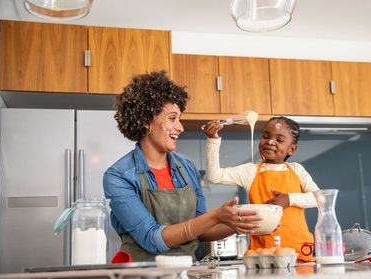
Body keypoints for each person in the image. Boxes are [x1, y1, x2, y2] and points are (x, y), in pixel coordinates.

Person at [103, 71, 261, 262]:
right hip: (142, 276)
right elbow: (152, 239)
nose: (180, 127)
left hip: (186, 272)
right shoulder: (119, 176)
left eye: (179, 118)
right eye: (172, 118)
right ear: (146, 121)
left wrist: (241, 221)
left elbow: (200, 231)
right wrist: (216, 216)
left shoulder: (186, 167)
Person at [203, 116, 319, 262]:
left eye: (279, 140)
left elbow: (319, 198)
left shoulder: (297, 170)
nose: (270, 141)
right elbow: (215, 176)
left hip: (300, 253)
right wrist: (213, 140)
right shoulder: (250, 171)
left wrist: (288, 199)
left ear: (292, 149)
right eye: (265, 136)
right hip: (262, 254)